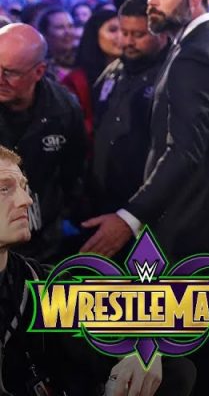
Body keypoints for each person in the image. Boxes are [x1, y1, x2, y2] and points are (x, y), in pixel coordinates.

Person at [79, 0, 209, 393]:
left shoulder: (194, 56)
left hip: (193, 225)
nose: (151, 1)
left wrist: (129, 218)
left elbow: (183, 153)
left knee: (205, 354)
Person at [0, 144, 183, 395]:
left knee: (173, 369)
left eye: (24, 187)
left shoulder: (35, 285)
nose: (26, 200)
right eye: (4, 189)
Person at [0, 23, 87, 263]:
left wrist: (62, 214)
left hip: (44, 242)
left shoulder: (64, 108)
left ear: (39, 72)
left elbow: (74, 172)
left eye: (10, 72)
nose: (0, 79)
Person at [89, 0, 170, 241]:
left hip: (152, 210)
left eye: (138, 34)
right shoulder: (112, 72)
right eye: (124, 33)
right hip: (105, 202)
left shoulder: (174, 74)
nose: (128, 41)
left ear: (161, 33)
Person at [62, 8, 122, 138]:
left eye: (124, 30)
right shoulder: (76, 80)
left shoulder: (137, 74)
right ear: (94, 34)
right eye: (113, 30)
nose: (121, 36)